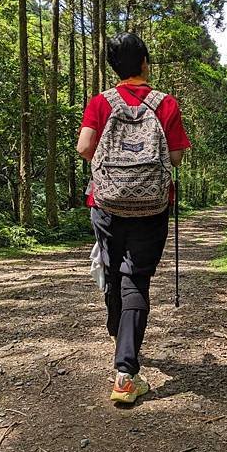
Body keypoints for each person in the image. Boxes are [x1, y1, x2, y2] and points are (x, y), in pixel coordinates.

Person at [76, 32, 191, 403]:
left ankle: (117, 325)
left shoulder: (101, 102)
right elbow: (174, 158)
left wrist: (113, 172)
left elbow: (84, 148)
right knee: (135, 279)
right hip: (152, 207)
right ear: (144, 62)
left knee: (112, 270)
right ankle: (125, 373)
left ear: (114, 67)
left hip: (106, 203)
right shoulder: (165, 103)